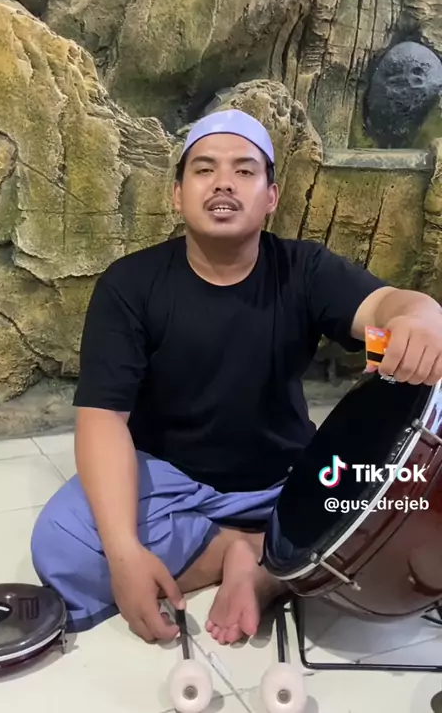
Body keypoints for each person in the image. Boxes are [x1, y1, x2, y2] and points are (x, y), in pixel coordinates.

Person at [31, 109, 442, 646]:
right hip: (168, 482)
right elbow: (103, 419)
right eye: (204, 169)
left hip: (286, 481)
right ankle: (248, 554)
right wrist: (125, 553)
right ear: (177, 195)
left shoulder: (303, 269)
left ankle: (262, 569)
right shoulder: (129, 286)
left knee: (397, 509)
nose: (224, 182)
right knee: (63, 545)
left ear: (271, 197)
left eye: (244, 170)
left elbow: (388, 304)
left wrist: (421, 316)